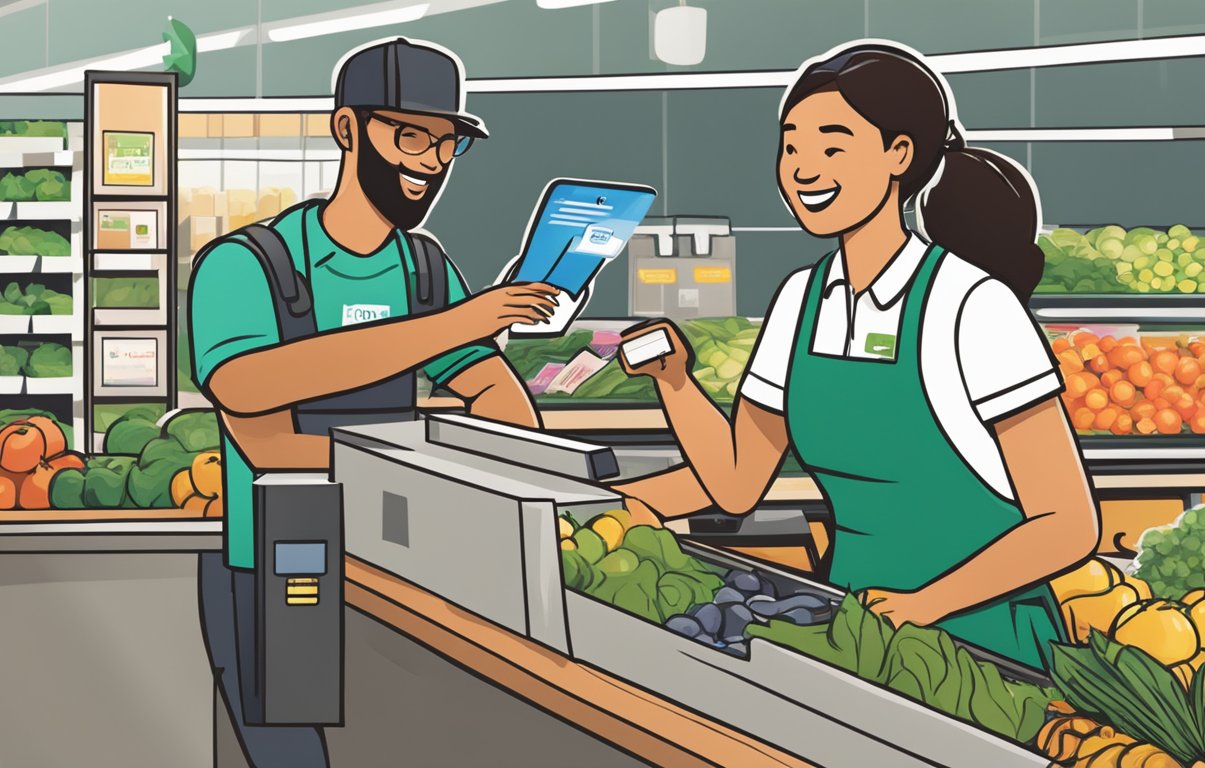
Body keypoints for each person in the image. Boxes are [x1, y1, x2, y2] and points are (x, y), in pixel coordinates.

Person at [614, 41, 1101, 671]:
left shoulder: (972, 305)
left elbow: (1067, 522)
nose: (803, 168)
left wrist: (927, 604)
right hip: (854, 626)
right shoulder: (800, 299)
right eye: (791, 146)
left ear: (899, 154)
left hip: (986, 644)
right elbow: (736, 485)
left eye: (832, 144)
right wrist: (674, 383)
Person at [188, 38, 557, 766]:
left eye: (446, 142)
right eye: (408, 134)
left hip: (404, 571)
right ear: (348, 129)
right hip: (279, 570)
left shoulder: (422, 269)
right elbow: (250, 403)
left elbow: (491, 389)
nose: (429, 161)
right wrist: (452, 334)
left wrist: (512, 464)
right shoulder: (248, 264)